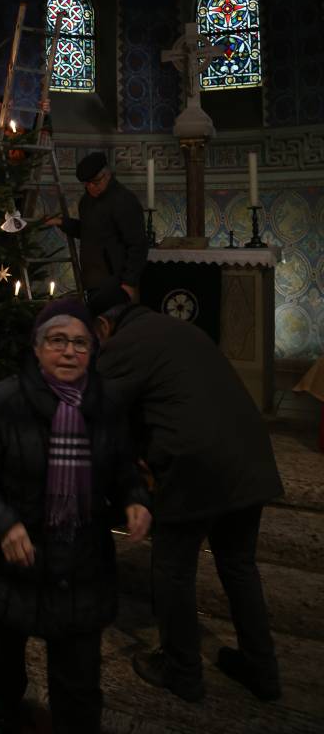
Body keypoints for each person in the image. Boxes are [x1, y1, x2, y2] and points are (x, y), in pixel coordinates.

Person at [0, 297, 151, 733]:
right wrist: (3, 523)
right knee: (5, 667)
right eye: (58, 341)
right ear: (37, 348)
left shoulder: (107, 402)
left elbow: (122, 466)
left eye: (80, 343)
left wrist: (135, 498)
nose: (70, 351)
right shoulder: (3, 401)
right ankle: (7, 714)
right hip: (9, 565)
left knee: (78, 685)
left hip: (80, 566)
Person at [89, 286, 283, 704]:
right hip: (250, 458)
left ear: (103, 326)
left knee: (173, 568)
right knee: (239, 566)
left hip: (197, 466)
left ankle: (181, 670)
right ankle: (262, 670)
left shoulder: (122, 343)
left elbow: (99, 410)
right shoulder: (176, 328)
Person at [47, 152, 147, 299]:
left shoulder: (124, 200)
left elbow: (137, 244)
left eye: (95, 182)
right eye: (87, 184)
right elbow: (89, 232)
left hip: (117, 281)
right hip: (93, 280)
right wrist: (62, 222)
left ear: (107, 175)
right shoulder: (86, 202)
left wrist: (129, 282)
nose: (91, 188)